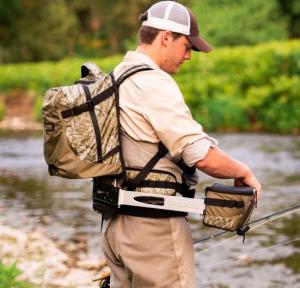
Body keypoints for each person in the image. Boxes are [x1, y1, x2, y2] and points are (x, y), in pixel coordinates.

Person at [100, 1, 262, 287]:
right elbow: (202, 156)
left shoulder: (115, 77)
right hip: (153, 231)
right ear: (165, 37)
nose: (189, 56)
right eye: (187, 46)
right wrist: (243, 172)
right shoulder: (153, 83)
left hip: (115, 226)